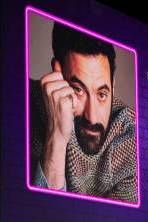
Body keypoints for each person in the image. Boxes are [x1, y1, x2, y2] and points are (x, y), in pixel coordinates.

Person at [30, 22, 137, 203]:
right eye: (78, 89)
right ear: (58, 75)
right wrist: (56, 138)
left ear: (113, 87)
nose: (92, 116)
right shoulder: (22, 106)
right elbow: (40, 219)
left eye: (102, 94)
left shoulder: (130, 139)